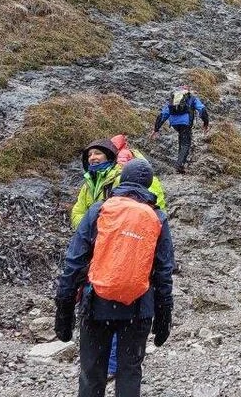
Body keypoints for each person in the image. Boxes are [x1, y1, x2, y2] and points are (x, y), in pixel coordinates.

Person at [55, 159, 174, 397]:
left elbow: (74, 263)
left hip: (97, 304)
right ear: (149, 185)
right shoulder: (157, 218)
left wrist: (64, 310)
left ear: (122, 181)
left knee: (91, 373)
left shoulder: (99, 210)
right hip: (138, 308)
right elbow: (164, 273)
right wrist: (164, 318)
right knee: (129, 372)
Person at [71, 137, 167, 230]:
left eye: (97, 153)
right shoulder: (88, 184)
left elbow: (144, 208)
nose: (92, 157)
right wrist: (90, 228)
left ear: (109, 156)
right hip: (94, 237)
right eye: (89, 155)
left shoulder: (122, 178)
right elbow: (78, 211)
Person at [149, 86, 210, 170]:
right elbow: (202, 110)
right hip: (185, 123)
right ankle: (179, 165)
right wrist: (206, 123)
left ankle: (179, 162)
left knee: (182, 139)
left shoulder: (173, 99)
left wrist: (156, 129)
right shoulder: (191, 98)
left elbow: (163, 114)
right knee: (186, 143)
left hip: (174, 124)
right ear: (188, 91)